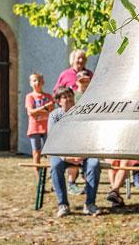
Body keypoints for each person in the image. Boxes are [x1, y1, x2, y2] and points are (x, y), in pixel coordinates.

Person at [47, 86, 100, 217]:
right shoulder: (54, 116)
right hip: (61, 153)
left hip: (83, 151)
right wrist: (65, 157)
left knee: (94, 164)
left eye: (70, 96)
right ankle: (63, 204)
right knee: (55, 166)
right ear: (58, 101)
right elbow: (53, 139)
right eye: (65, 97)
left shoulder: (83, 113)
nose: (69, 99)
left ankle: (90, 204)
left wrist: (83, 155)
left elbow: (90, 136)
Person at [24, 73, 54, 169]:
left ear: (43, 82)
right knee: (36, 151)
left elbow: (51, 112)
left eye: (39, 80)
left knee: (49, 152)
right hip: (34, 128)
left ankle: (52, 172)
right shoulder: (30, 97)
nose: (37, 83)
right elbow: (31, 112)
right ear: (30, 83)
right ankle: (38, 176)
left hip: (47, 127)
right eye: (34, 80)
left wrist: (39, 111)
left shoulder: (48, 96)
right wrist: (45, 107)